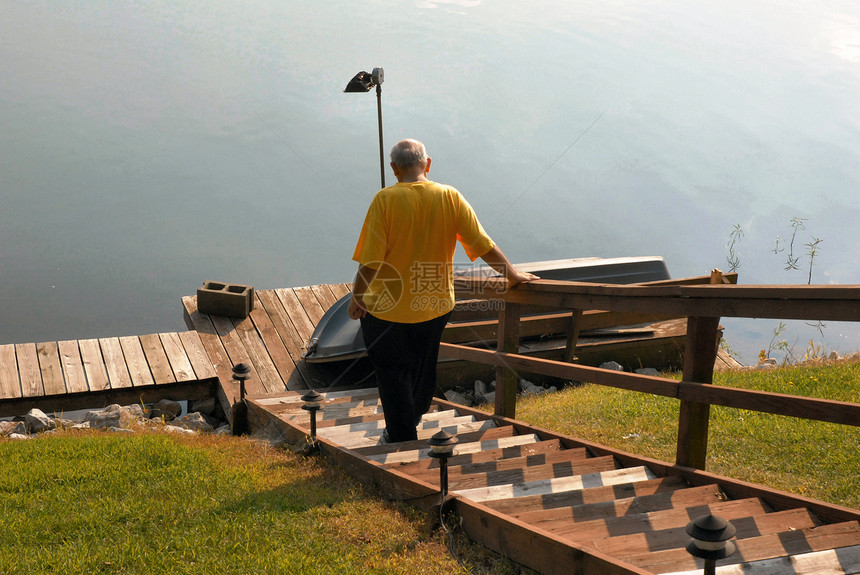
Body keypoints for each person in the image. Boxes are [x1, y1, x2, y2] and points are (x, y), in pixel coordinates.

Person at [347, 138, 537, 443]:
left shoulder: (384, 200)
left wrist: (358, 298)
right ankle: (412, 419)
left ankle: (401, 437)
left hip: (386, 308)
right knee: (423, 368)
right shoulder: (450, 196)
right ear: (428, 164)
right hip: (434, 303)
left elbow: (371, 261)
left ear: (394, 168)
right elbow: (481, 243)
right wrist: (512, 275)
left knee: (391, 372)